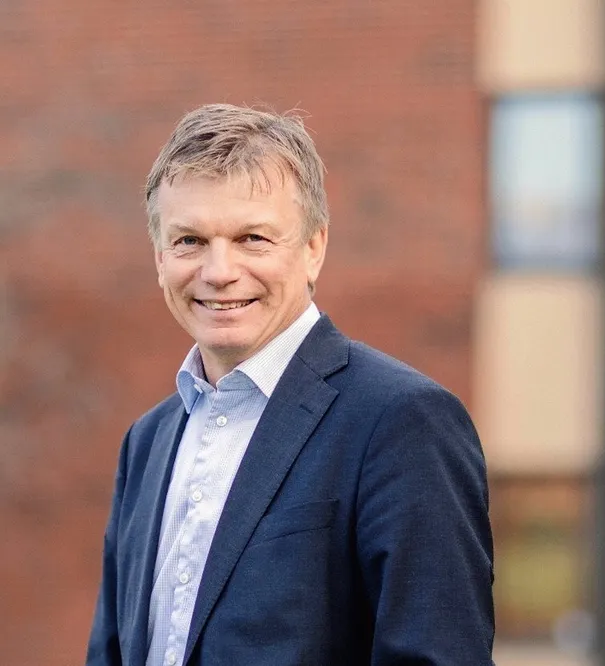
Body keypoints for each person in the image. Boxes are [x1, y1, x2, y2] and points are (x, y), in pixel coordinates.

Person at [86, 103, 495, 666]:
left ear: (313, 249)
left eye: (252, 238)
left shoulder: (402, 422)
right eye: (190, 241)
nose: (219, 271)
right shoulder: (147, 442)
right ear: (160, 258)